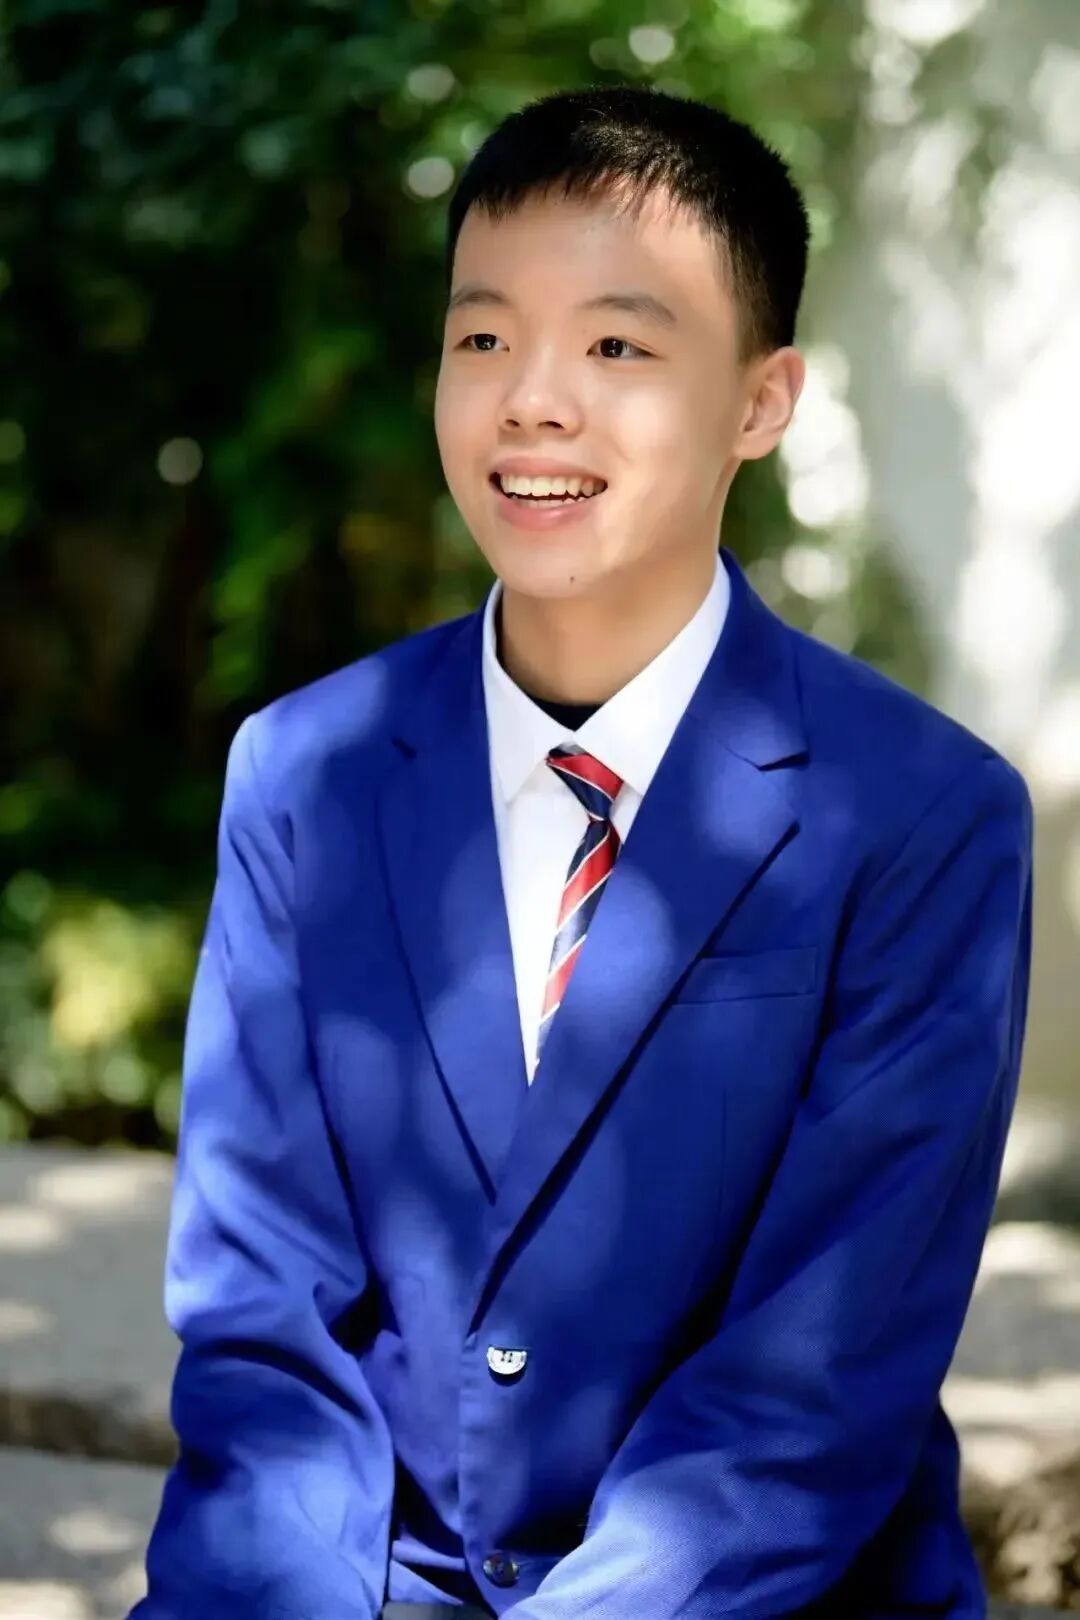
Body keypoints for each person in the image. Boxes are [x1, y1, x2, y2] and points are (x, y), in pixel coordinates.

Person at [127, 85, 1034, 1620]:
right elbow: (264, 1328)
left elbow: (808, 1395)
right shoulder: (305, 776)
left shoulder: (923, 815)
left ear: (761, 402)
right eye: (484, 337)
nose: (533, 401)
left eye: (617, 346)